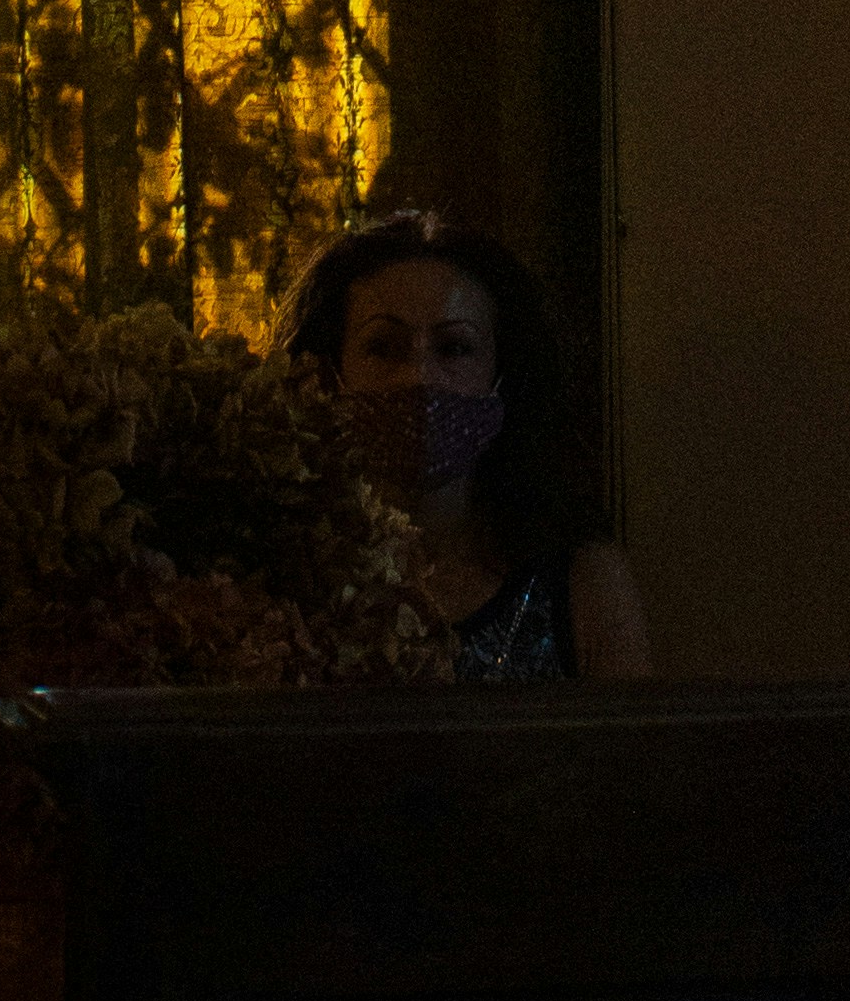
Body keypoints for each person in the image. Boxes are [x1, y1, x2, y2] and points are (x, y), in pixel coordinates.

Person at [276, 210, 649, 680]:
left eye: (453, 348)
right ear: (328, 372)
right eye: (383, 347)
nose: (419, 377)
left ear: (503, 372)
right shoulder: (281, 579)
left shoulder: (580, 580)